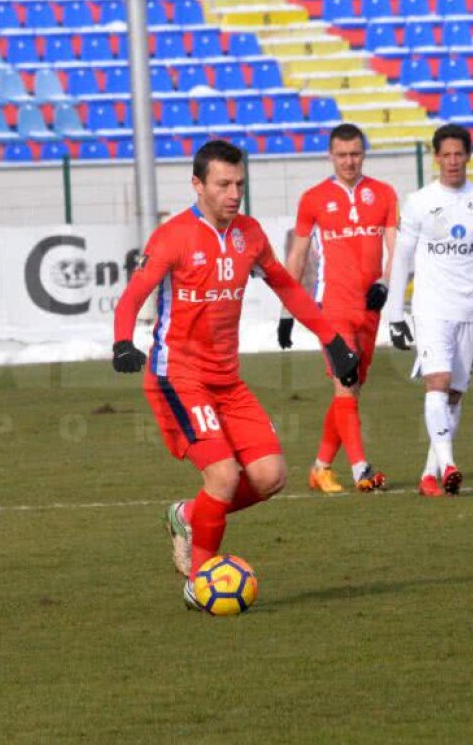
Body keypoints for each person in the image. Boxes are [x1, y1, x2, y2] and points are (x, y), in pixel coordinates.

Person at [112, 140, 360, 608]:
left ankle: (189, 514)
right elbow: (132, 296)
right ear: (197, 184)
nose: (233, 193)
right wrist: (123, 340)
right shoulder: (173, 236)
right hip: (178, 378)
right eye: (223, 184)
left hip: (228, 380)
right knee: (224, 477)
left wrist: (332, 340)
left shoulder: (249, 233)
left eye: (239, 184)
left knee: (270, 477)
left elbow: (287, 285)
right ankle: (200, 581)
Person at [383, 124, 473, 497]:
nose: (453, 161)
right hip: (431, 309)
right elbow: (402, 261)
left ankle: (430, 474)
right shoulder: (419, 202)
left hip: (470, 310)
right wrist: (396, 316)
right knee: (437, 382)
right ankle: (450, 464)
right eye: (447, 155)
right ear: (436, 157)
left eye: (459, 154)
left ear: (468, 157)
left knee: (454, 394)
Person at [277, 123, 398, 494]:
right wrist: (286, 314)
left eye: (356, 154)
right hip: (331, 309)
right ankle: (362, 469)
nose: (349, 161)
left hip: (369, 310)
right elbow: (297, 257)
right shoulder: (313, 198)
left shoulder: (384, 194)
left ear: (364, 154)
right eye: (342, 155)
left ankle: (320, 468)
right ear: (330, 156)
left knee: (350, 391)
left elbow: (398, 249)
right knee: (346, 386)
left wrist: (386, 284)